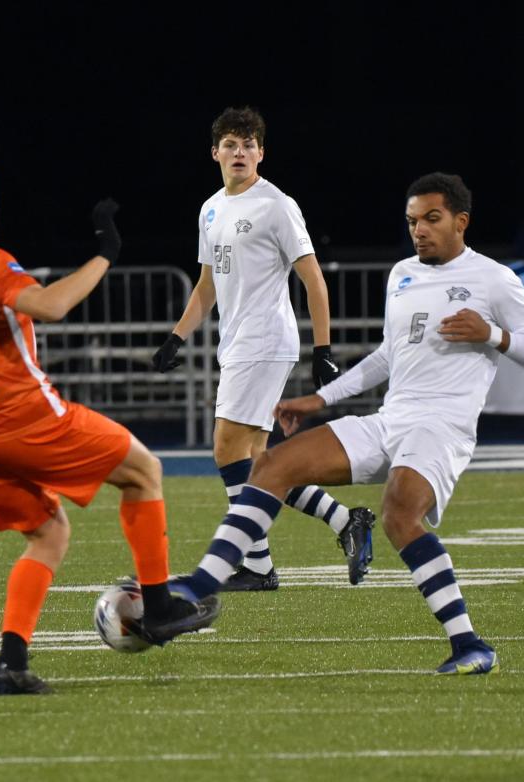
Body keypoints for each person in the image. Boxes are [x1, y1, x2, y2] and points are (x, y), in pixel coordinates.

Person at [172, 172, 524, 674]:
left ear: (461, 222)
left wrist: (494, 334)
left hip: (441, 429)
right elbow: (386, 357)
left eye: (432, 219)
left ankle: (469, 644)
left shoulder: (493, 279)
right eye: (412, 221)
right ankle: (200, 588)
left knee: (400, 514)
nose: (420, 229)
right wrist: (319, 399)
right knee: (269, 466)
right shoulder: (401, 274)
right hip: (390, 419)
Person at [0, 135, 219, 695]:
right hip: (30, 418)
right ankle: (162, 607)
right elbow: (50, 305)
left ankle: (11, 664)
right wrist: (105, 253)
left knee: (48, 536)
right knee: (145, 471)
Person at [152, 106, 375, 591]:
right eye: (230, 144)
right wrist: (177, 337)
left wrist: (323, 348)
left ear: (261, 154)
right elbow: (207, 286)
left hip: (266, 341)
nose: (240, 152)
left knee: (226, 449)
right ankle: (346, 521)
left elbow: (313, 278)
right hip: (236, 344)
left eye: (249, 144)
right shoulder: (210, 208)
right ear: (215, 153)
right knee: (260, 463)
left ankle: (255, 564)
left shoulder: (276, 204)